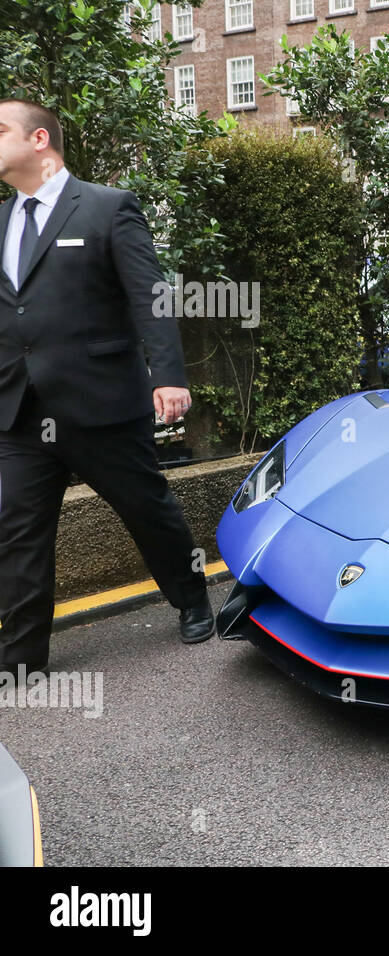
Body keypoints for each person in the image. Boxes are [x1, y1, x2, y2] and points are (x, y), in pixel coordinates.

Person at [0, 99, 214, 679]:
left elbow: (152, 296)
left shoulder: (106, 207)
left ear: (39, 139)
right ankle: (21, 658)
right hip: (19, 409)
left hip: (100, 403)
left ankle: (192, 597)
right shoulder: (1, 221)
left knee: (146, 508)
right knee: (16, 532)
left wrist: (167, 375)